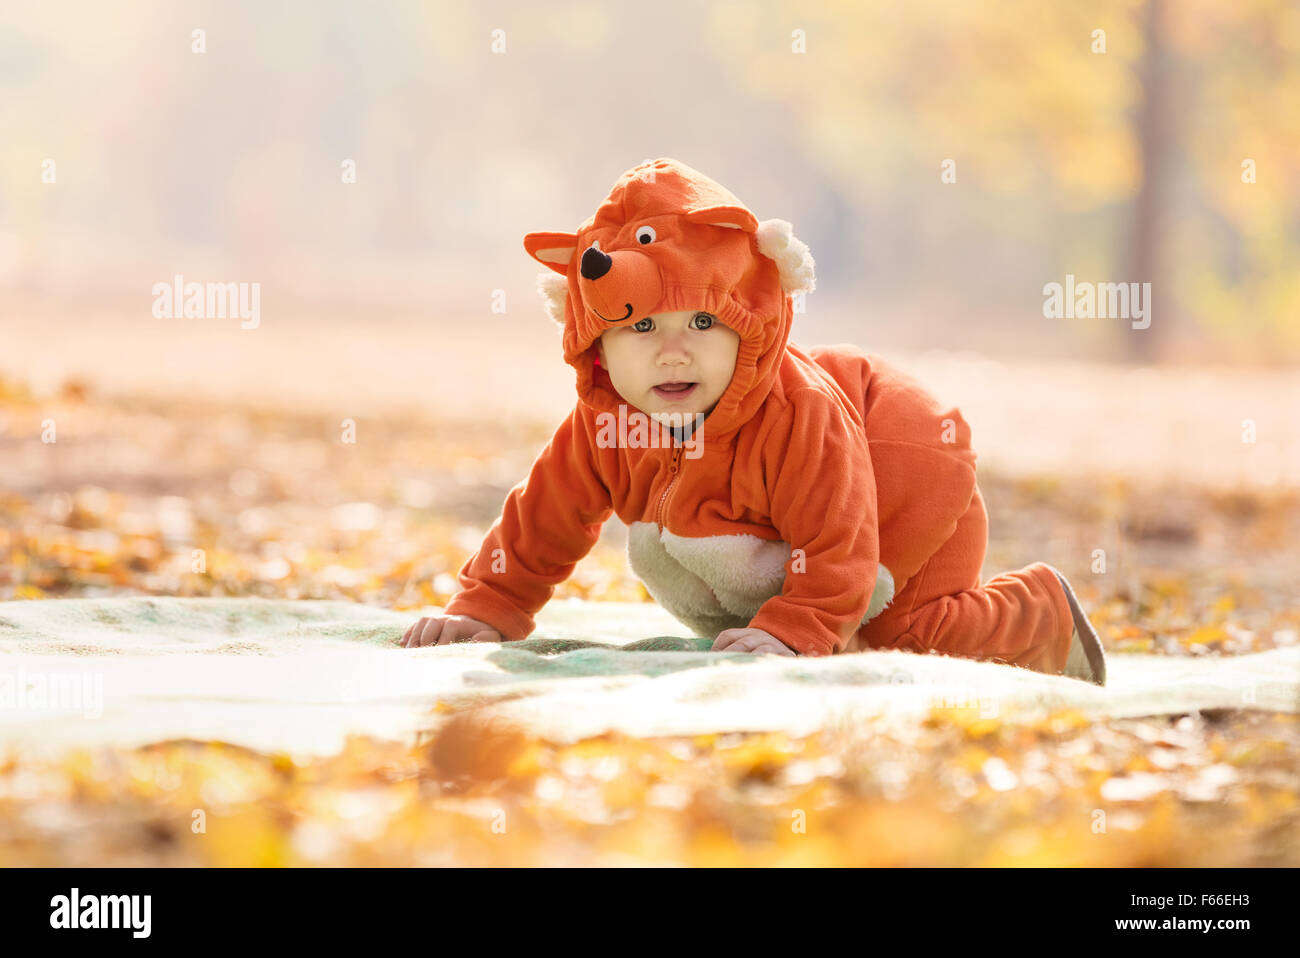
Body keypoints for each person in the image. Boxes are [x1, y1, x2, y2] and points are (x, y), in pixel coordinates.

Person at [401, 158, 1106, 685]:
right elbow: (542, 522)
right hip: (803, 531)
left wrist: (795, 630)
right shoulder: (605, 424)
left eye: (704, 321)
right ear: (596, 343)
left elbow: (840, 533)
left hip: (900, 477)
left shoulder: (796, 416)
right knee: (813, 632)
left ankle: (1040, 611)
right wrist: (487, 605)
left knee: (896, 637)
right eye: (641, 327)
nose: (673, 350)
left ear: (749, 327)